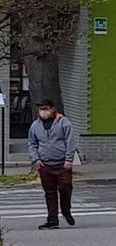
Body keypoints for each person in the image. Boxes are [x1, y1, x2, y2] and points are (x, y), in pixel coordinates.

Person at [27, 98, 78, 230]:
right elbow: (32, 143)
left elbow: (70, 142)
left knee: (65, 188)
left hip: (62, 164)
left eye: (46, 109)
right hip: (45, 165)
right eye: (41, 109)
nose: (43, 112)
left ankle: (66, 211)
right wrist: (36, 159)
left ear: (52, 109)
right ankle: (52, 220)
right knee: (50, 193)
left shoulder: (64, 123)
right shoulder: (35, 126)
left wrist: (69, 159)